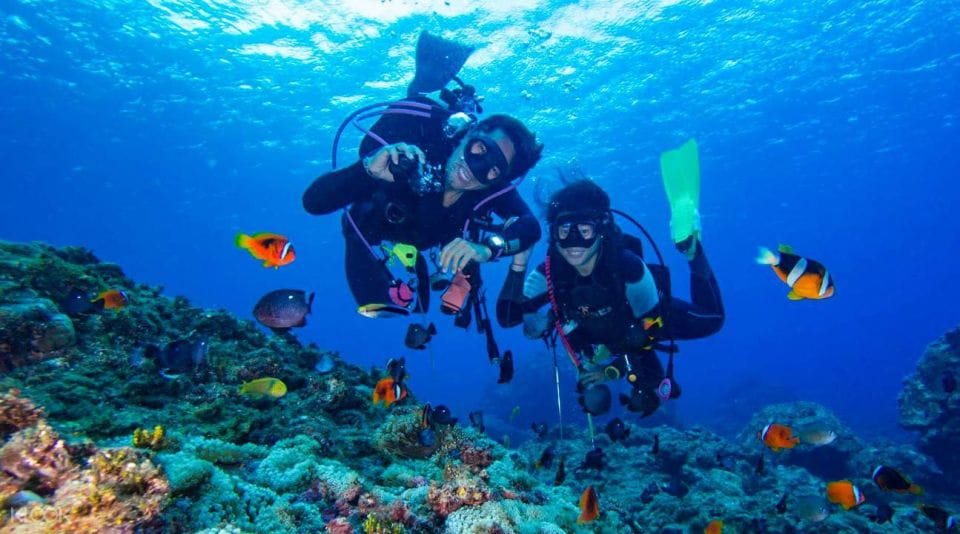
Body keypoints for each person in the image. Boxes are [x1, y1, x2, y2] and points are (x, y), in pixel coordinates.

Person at [303, 32, 543, 322]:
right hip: (377, 223)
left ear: (500, 179)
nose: (474, 170)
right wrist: (365, 171)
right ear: (469, 133)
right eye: (481, 149)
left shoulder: (490, 190)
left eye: (493, 170)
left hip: (429, 239)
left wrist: (486, 248)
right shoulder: (415, 137)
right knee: (362, 229)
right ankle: (429, 74)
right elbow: (314, 203)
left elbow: (530, 227)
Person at [497, 178, 724, 417]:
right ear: (554, 235)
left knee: (713, 320)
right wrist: (519, 262)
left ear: (601, 231)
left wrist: (612, 369)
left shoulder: (628, 268)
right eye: (564, 231)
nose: (574, 242)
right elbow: (508, 318)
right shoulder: (551, 272)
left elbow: (649, 330)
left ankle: (692, 248)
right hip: (601, 335)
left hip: (642, 323)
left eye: (584, 231)